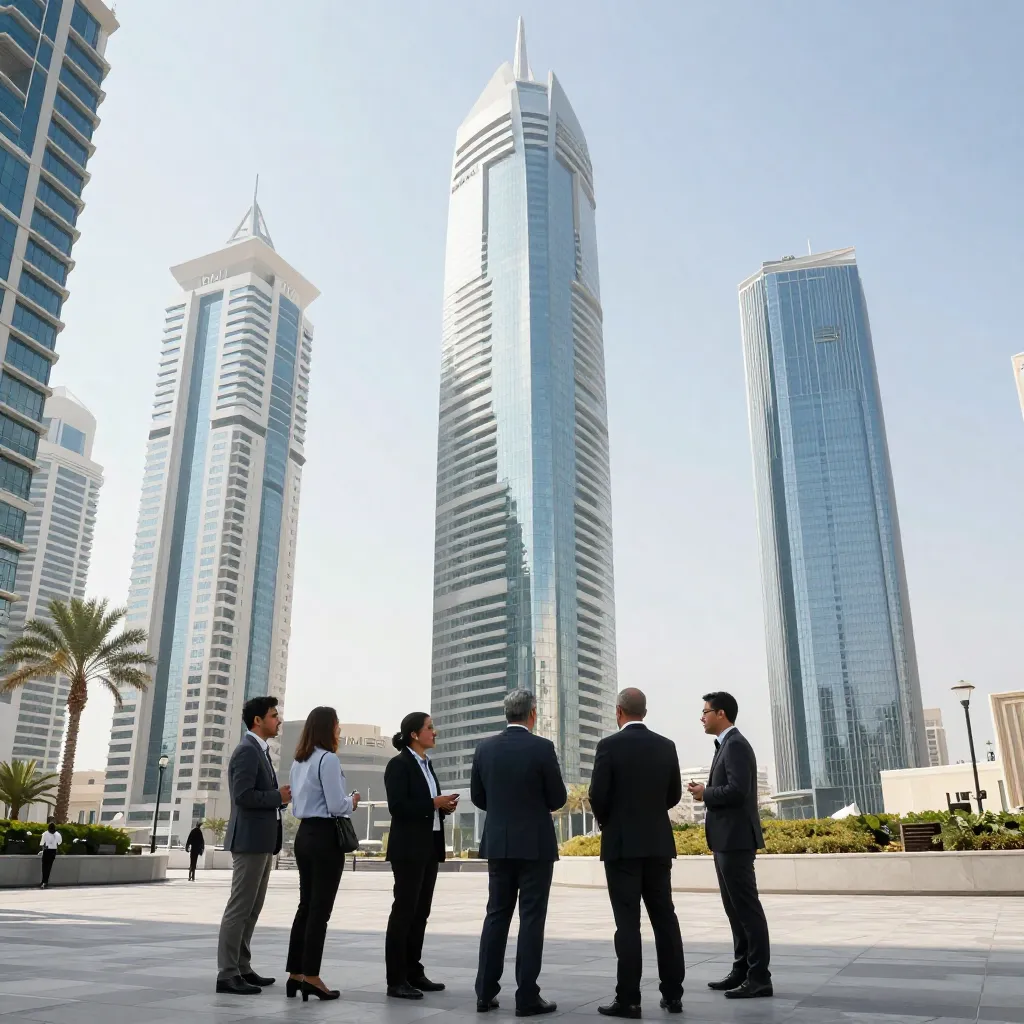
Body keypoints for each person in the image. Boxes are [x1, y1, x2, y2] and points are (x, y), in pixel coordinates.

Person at [589, 688, 686, 1018]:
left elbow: (597, 795)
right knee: (665, 920)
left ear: (619, 712)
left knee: (627, 925)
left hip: (621, 848)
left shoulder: (608, 747)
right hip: (658, 845)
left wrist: (609, 823)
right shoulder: (666, 746)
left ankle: (628, 999)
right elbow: (673, 795)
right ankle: (673, 995)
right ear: (644, 712)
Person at [471, 689, 567, 1017]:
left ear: (505, 713)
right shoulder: (542, 748)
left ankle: (485, 992)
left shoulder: (484, 748)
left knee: (496, 915)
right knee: (531, 918)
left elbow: (478, 797)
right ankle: (527, 995)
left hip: (498, 843)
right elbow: (557, 798)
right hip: (535, 846)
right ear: (532, 714)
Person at [687, 691, 772, 1000]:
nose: (702, 716)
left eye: (706, 711)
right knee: (735, 909)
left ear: (721, 714)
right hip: (725, 840)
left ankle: (759, 976)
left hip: (735, 840)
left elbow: (737, 791)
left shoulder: (734, 744)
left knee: (747, 909)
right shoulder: (726, 745)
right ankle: (741, 970)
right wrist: (706, 792)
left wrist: (705, 793)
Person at [216, 695, 291, 995]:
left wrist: (278, 799)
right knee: (239, 908)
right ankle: (227, 973)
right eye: (274, 715)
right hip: (248, 841)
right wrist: (278, 797)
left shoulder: (261, 752)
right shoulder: (247, 751)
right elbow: (243, 796)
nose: (279, 720)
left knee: (253, 908)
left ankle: (242, 967)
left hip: (262, 841)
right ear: (258, 720)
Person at [285, 706, 360, 1002]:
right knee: (320, 910)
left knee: (305, 906)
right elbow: (335, 804)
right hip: (325, 838)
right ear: (329, 727)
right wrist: (352, 801)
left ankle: (295, 973)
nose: (339, 729)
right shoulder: (328, 759)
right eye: (337, 724)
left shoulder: (299, 761)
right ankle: (312, 976)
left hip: (304, 835)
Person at [383, 711, 458, 1001]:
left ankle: (414, 971)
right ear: (414, 734)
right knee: (404, 912)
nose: (434, 732)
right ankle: (396, 979)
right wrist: (432, 803)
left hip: (429, 844)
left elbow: (424, 806)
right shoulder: (399, 765)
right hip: (408, 849)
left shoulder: (427, 765)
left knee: (421, 912)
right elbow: (398, 807)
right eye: (430, 728)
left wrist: (442, 807)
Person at [39, 821, 61, 888]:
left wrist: (42, 850)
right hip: (53, 851)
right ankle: (45, 882)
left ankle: (43, 881)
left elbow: (42, 843)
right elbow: (59, 843)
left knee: (44, 867)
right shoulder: (58, 834)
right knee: (49, 867)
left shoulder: (45, 834)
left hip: (46, 850)